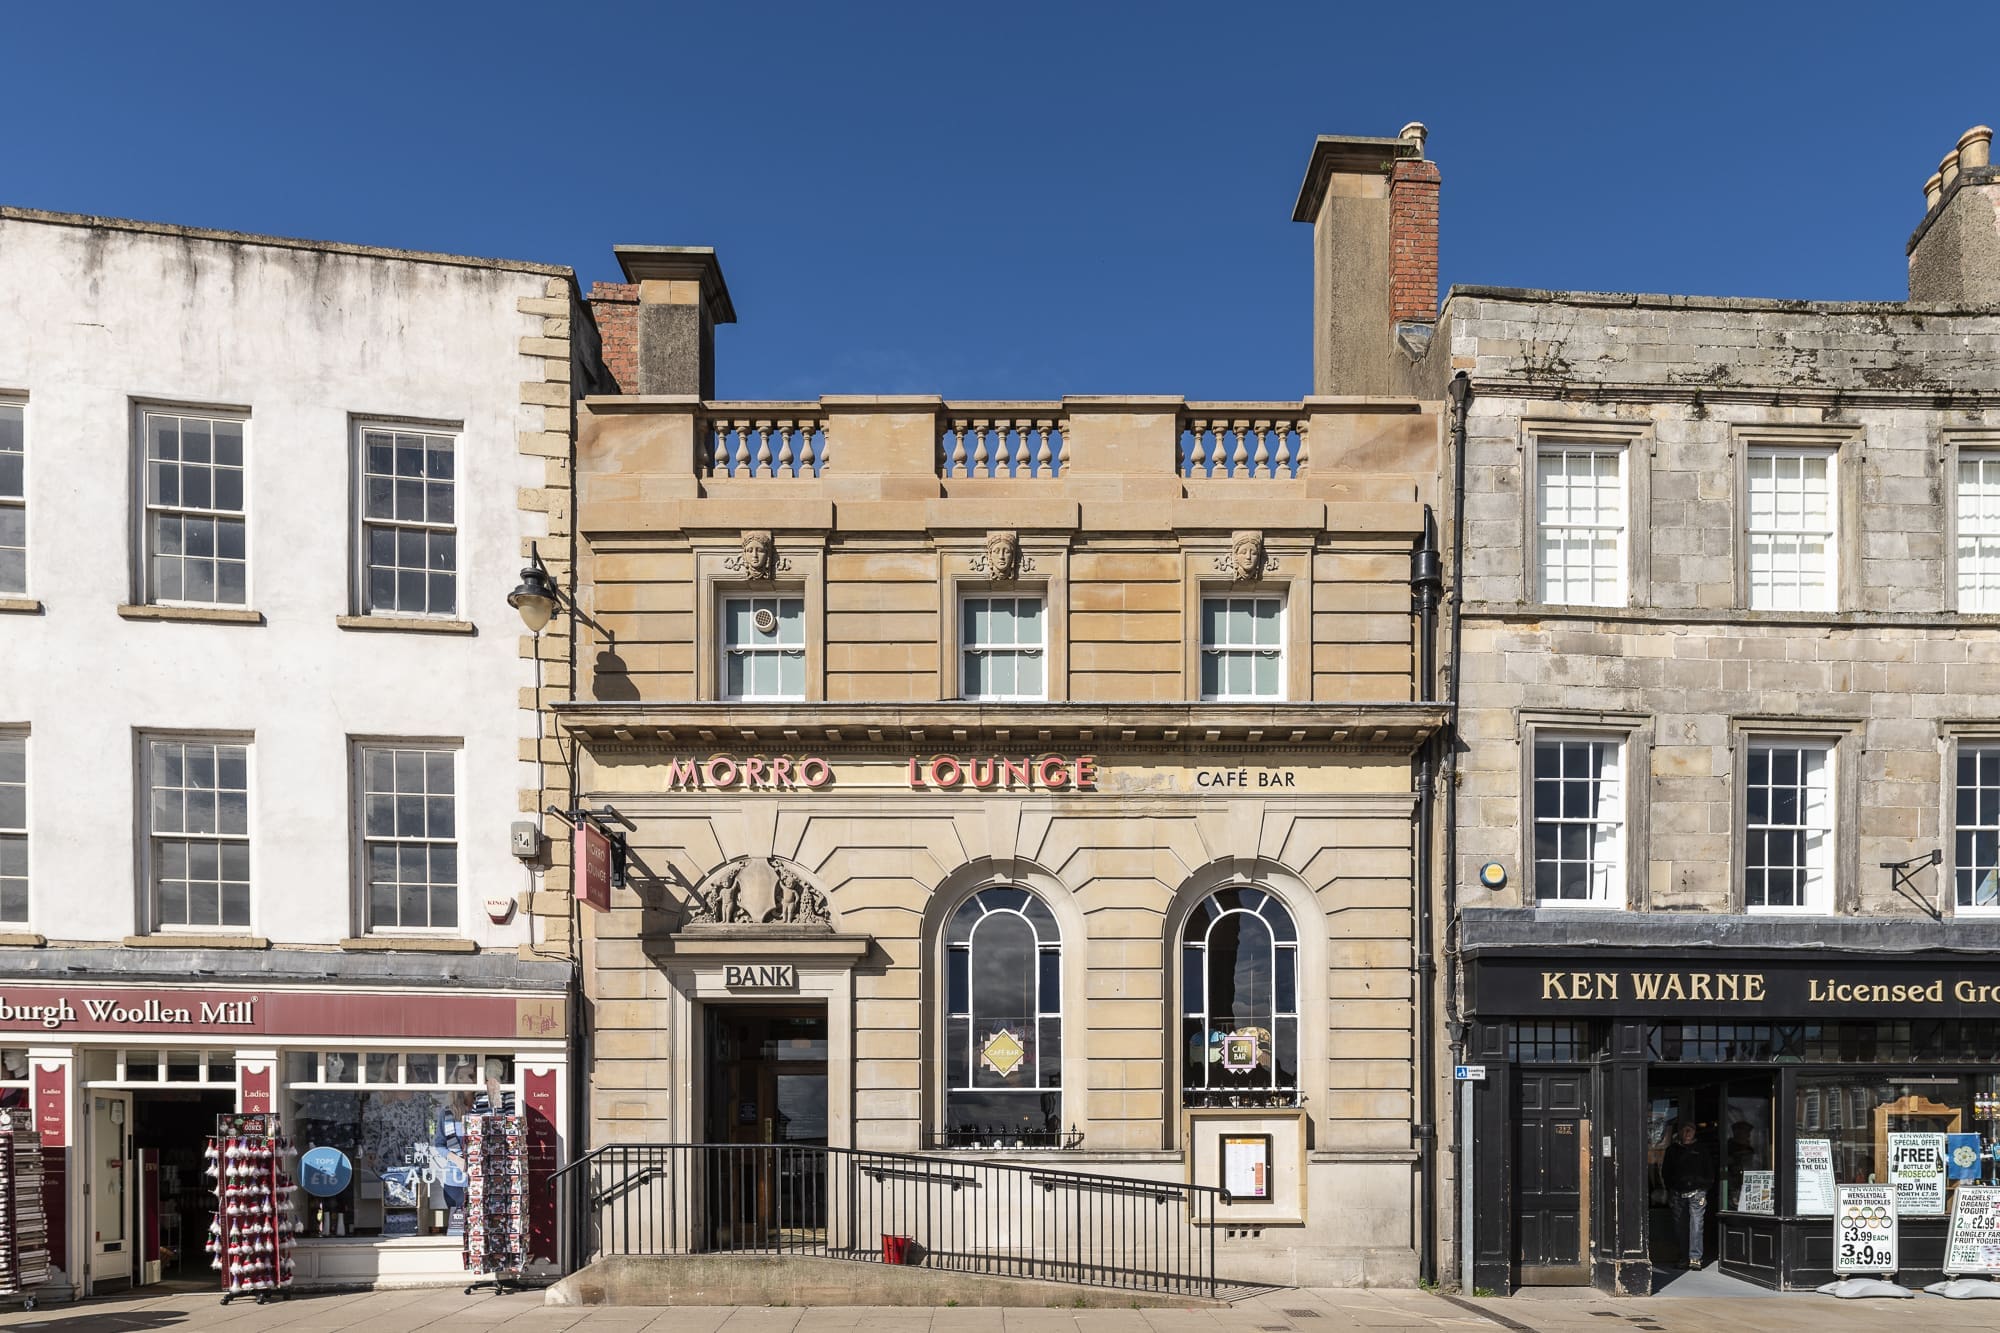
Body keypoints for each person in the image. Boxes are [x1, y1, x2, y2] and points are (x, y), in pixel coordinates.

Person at [1662, 1120, 1717, 1269]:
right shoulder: (1672, 1150)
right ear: (1679, 1132)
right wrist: (1672, 1188)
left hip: (1697, 1192)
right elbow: (1666, 1172)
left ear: (1694, 1132)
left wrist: (1704, 1186)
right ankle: (1683, 1257)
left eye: (1690, 1130)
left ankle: (1695, 1258)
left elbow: (1710, 1171)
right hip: (1678, 1192)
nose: (1687, 1133)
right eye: (1684, 1130)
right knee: (1680, 1226)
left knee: (1696, 1224)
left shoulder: (1701, 1150)